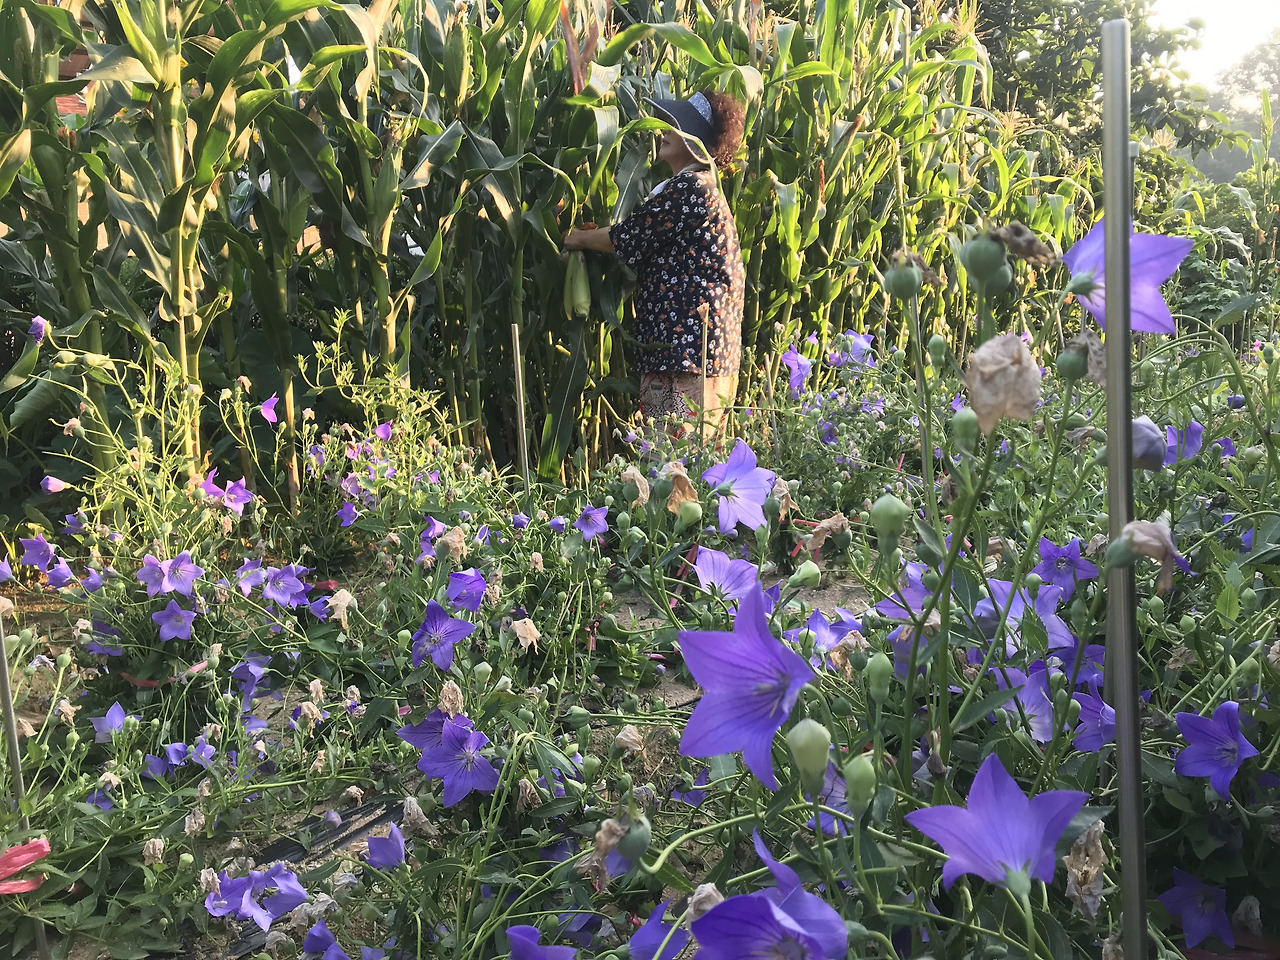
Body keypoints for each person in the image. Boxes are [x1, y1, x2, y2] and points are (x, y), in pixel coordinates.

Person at [563, 90, 746, 436]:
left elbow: (629, 237)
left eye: (676, 126)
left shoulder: (691, 188)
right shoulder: (699, 188)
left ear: (695, 142)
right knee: (685, 453)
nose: (664, 131)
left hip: (686, 358)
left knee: (675, 454)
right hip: (689, 356)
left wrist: (577, 239)